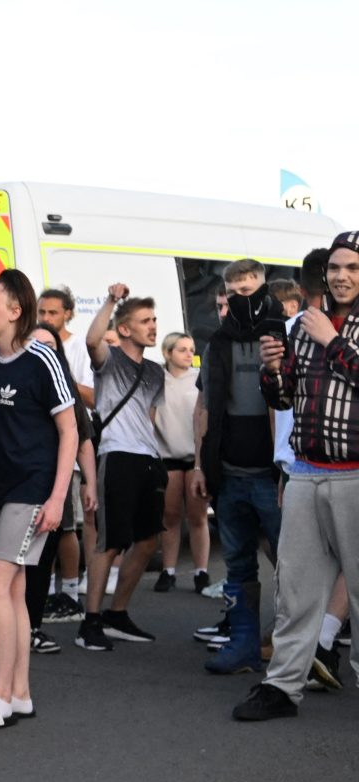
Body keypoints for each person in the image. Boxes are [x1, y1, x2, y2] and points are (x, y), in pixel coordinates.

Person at [235, 231, 359, 720]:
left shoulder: (323, 330)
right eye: (335, 268)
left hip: (355, 474)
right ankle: (283, 686)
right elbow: (283, 399)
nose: (342, 276)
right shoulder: (304, 325)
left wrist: (332, 342)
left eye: (352, 267)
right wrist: (272, 370)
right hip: (307, 472)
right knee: (296, 590)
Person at [0, 271, 77, 728]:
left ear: (15, 311)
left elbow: (69, 430)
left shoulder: (42, 359)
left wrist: (57, 498)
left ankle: (0, 696)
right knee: (10, 589)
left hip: (32, 490)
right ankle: (21, 694)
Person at [193, 261, 283, 676]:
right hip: (228, 473)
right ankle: (244, 646)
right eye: (235, 291)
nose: (243, 298)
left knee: (292, 567)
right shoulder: (218, 344)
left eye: (250, 289)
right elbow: (206, 407)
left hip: (274, 476)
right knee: (239, 567)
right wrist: (199, 465)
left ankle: (293, 649)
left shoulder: (284, 334)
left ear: (264, 288)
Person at [76, 286, 166, 650]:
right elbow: (92, 338)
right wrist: (111, 301)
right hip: (118, 457)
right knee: (109, 542)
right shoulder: (109, 360)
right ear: (125, 329)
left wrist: (156, 457)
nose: (153, 326)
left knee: (147, 542)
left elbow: (151, 417)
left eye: (155, 320)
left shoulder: (156, 372)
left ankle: (117, 614)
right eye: (145, 321)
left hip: (149, 460)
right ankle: (90, 621)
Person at [36, 288, 98, 621]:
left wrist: (63, 380)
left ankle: (71, 593)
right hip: (40, 456)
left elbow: (92, 398)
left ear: (69, 313)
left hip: (69, 454)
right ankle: (44, 593)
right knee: (43, 529)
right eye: (42, 312)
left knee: (66, 528)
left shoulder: (76, 349)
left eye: (53, 313)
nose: (46, 318)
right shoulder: (35, 345)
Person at [156, 331, 209, 594]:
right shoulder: (158, 381)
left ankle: (202, 572)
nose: (189, 354)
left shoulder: (198, 379)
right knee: (170, 516)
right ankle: (168, 571)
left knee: (198, 516)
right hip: (168, 456)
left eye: (191, 349)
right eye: (182, 349)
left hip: (195, 457)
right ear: (168, 353)